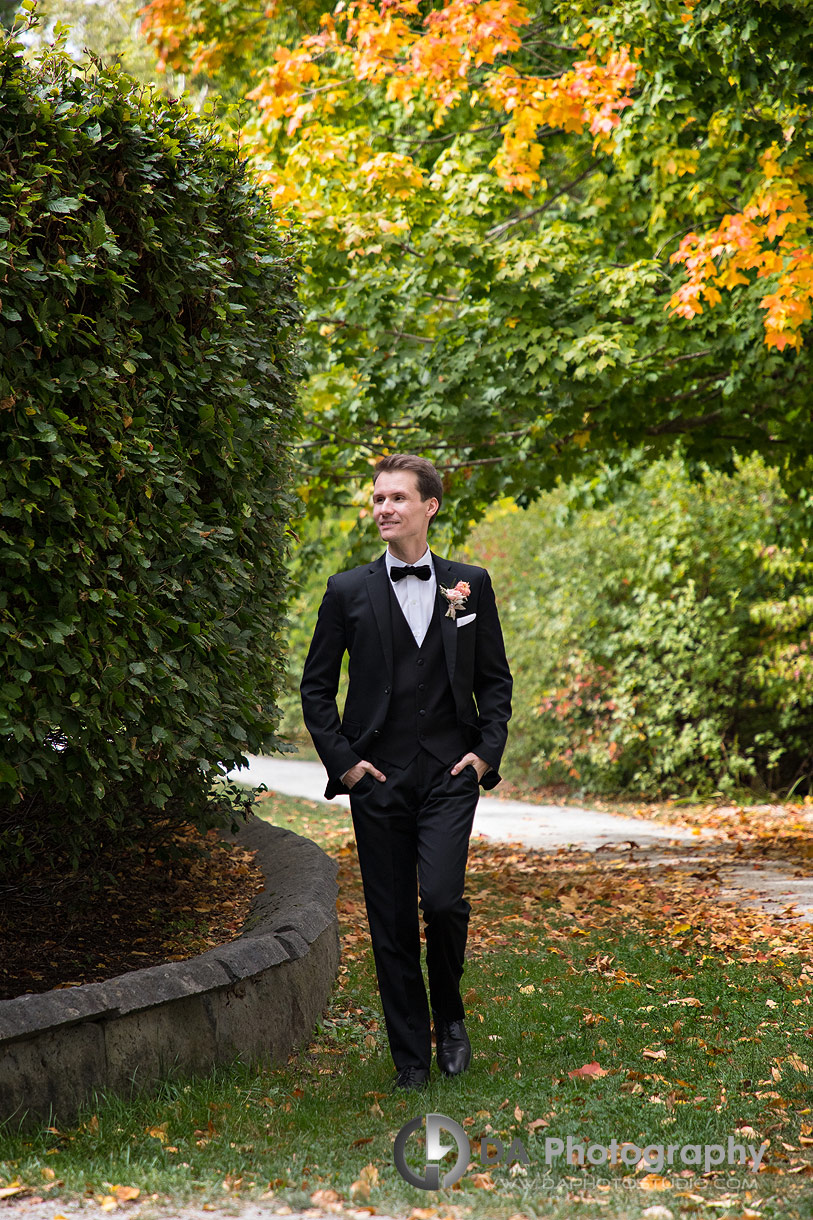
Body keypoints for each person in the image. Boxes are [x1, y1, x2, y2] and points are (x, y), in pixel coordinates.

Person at [300, 454, 512, 1091]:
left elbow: (495, 681)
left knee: (443, 902)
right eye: (377, 499)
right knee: (390, 919)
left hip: (449, 775)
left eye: (396, 498)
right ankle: (410, 1061)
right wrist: (347, 766)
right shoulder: (345, 591)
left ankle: (449, 1016)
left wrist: (485, 754)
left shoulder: (469, 584)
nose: (384, 509)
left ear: (430, 507)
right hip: (379, 780)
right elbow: (316, 690)